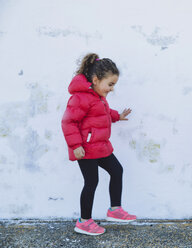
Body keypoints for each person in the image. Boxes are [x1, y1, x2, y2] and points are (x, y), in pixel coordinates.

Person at [61, 53, 136, 236]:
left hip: (100, 146)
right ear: (95, 80)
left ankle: (114, 209)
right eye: (110, 84)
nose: (111, 89)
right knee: (91, 182)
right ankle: (84, 221)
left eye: (114, 85)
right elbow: (68, 122)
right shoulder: (80, 98)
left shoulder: (98, 96)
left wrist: (117, 116)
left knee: (117, 170)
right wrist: (76, 145)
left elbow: (103, 112)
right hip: (85, 149)